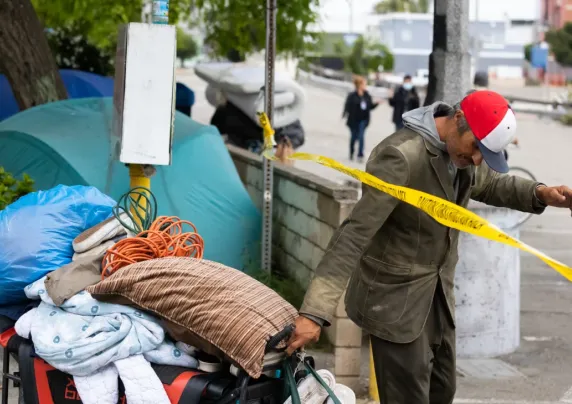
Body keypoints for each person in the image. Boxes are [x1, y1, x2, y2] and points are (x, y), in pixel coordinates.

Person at [286, 90, 572, 404]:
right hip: (395, 302)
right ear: (459, 118)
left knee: (442, 391)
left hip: (437, 298)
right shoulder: (401, 156)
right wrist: (314, 312)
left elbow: (490, 183)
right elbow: (354, 235)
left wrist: (542, 194)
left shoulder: (463, 153)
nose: (477, 160)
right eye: (476, 148)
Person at [343, 76, 380, 163]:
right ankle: (351, 152)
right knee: (353, 138)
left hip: (363, 120)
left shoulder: (367, 95)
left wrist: (377, 103)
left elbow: (370, 106)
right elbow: (347, 107)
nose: (365, 86)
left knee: (361, 137)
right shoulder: (352, 95)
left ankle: (360, 155)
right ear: (359, 85)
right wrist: (345, 114)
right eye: (364, 84)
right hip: (353, 120)